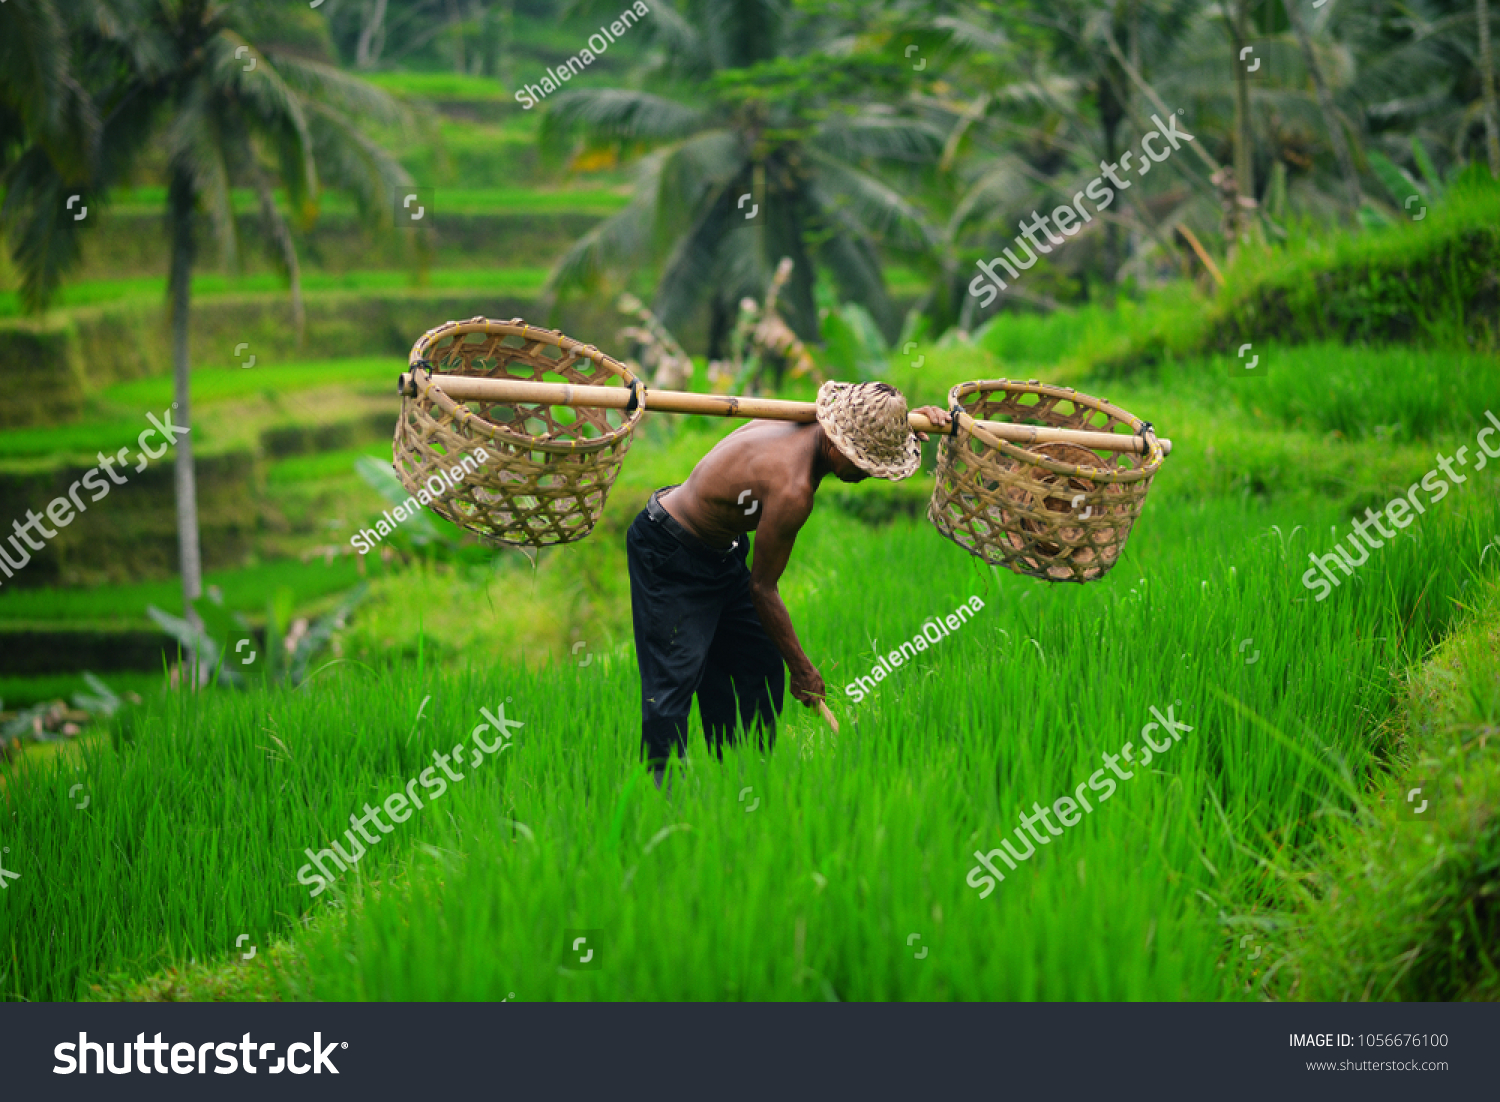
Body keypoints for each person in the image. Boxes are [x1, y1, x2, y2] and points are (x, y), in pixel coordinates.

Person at [626, 380, 952, 784]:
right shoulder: (793, 490)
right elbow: (762, 589)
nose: (865, 474)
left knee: (757, 664)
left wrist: (904, 422)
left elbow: (868, 419)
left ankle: (744, 784)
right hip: (671, 551)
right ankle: (660, 801)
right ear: (836, 443)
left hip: (721, 551)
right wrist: (803, 670)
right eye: (862, 462)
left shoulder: (806, 420)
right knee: (672, 682)